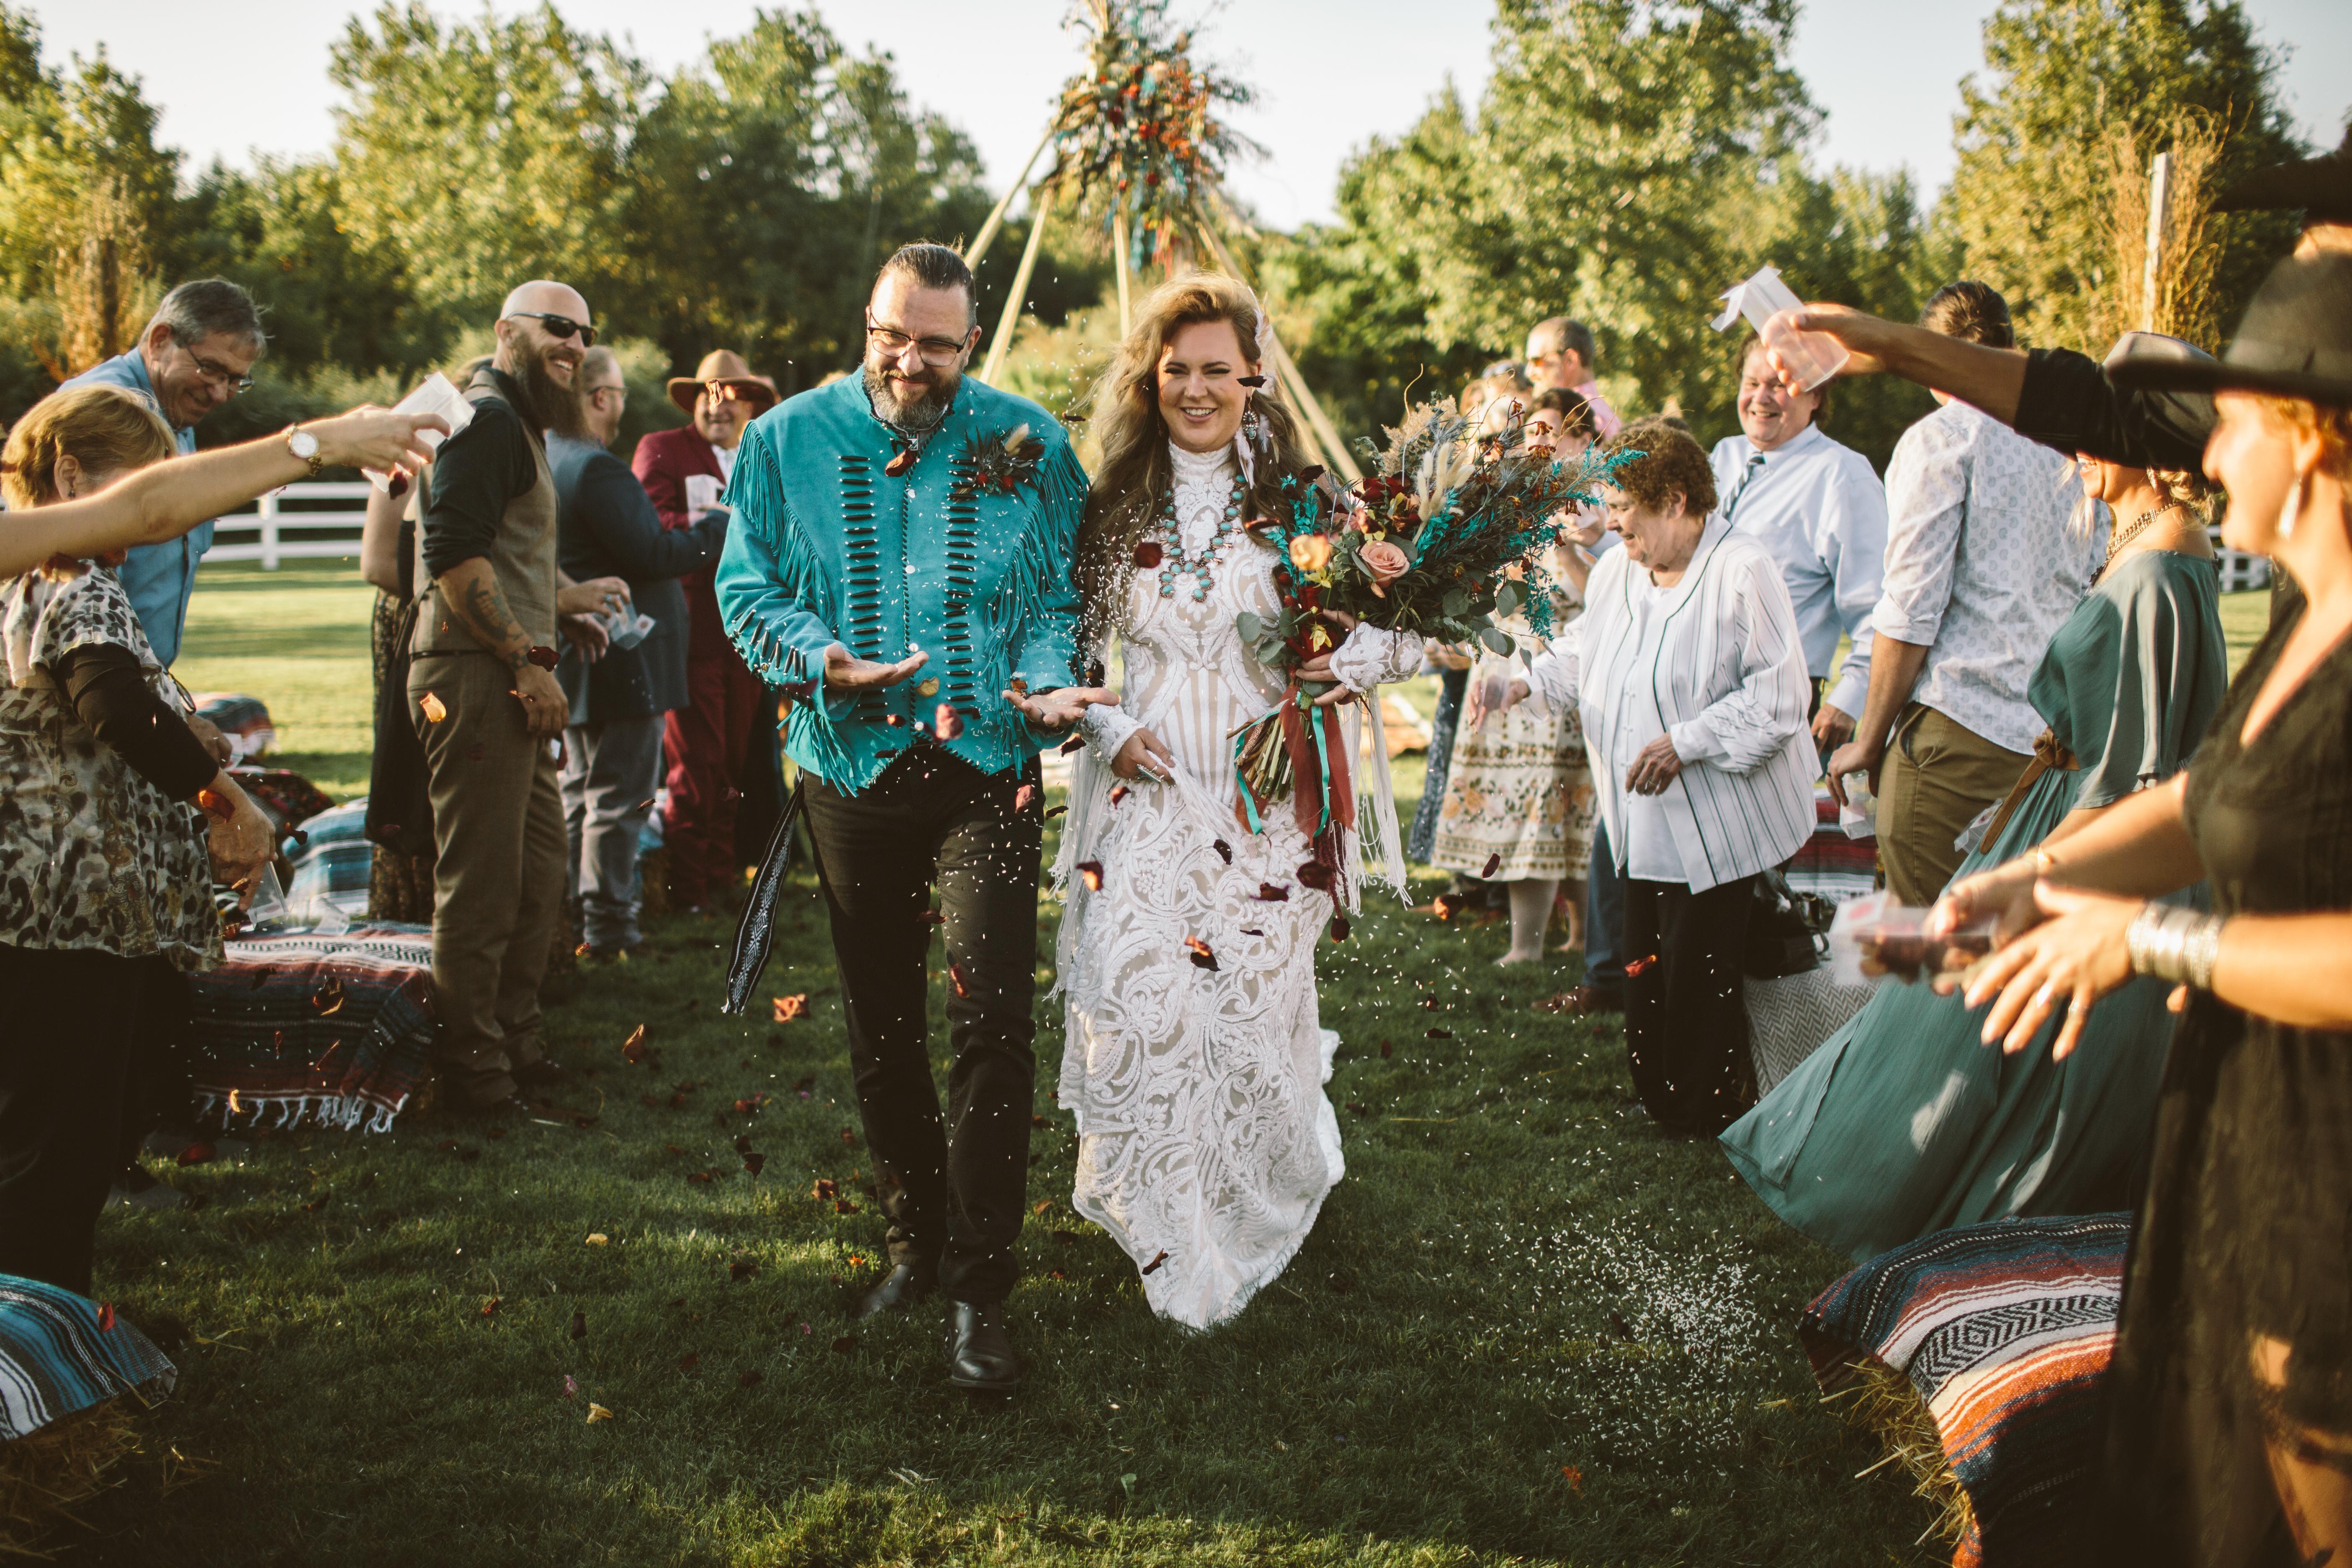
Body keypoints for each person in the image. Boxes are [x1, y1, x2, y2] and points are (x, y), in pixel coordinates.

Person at [1933, 250, 2352, 1567]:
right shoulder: (2307, 621)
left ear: (2310, 436)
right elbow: (2207, 799)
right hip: (2245, 1130)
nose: (2207, 456)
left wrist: (2150, 937)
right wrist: (2037, 877)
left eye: (2230, 420)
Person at [715, 243, 1105, 1393]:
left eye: (936, 344)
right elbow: (746, 585)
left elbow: (1058, 593)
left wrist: (1046, 678)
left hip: (988, 765)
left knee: (992, 1022)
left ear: (969, 343)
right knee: (881, 1025)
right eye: (893, 336)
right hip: (848, 765)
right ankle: (913, 1245)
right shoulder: (782, 440)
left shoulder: (1027, 439)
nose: (910, 361)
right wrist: (816, 656)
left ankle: (980, 1291)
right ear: (867, 321)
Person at [1721, 431, 2227, 1260]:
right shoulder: (2133, 535)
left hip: (2097, 832)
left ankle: (1985, 1217)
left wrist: (2044, 866)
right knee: (1934, 1010)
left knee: (1979, 1021)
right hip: (2058, 805)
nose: (2079, 451)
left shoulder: (2165, 557)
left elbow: (2142, 760)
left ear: (2145, 440)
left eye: (2100, 435)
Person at [0, 386, 441, 1293]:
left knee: (42, 1126)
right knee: (62, 1142)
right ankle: (47, 1328)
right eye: (147, 489)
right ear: (70, 477)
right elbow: (111, 704)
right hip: (71, 903)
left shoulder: (27, 577)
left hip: (36, 898)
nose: (163, 520)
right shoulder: (72, 581)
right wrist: (217, 792)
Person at [1053, 273, 1423, 1329]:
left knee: (1245, 1024)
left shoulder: (1305, 508)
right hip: (1146, 797)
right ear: (1150, 379)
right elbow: (1072, 652)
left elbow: (1410, 631)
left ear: (1254, 378)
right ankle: (1169, 1223)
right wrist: (1108, 730)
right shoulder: (1111, 505)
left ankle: (1248, 1197)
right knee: (1136, 994)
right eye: (1177, 369)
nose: (1196, 389)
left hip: (1267, 807)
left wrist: (1350, 661)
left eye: (1218, 369)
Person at [1484, 419, 1815, 1134]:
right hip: (1636, 816)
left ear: (1674, 500)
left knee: (1698, 967)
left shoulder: (1742, 569)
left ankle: (1701, 1106)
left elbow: (1781, 696)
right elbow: (1584, 649)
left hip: (1717, 820)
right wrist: (1525, 684)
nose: (1610, 524)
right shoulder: (1617, 572)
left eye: (1622, 507)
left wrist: (1687, 742)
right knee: (1644, 966)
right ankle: (1659, 1094)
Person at [407, 281, 625, 1115]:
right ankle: (476, 1075)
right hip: (475, 677)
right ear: (507, 331)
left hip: (511, 674)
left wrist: (564, 603)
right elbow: (453, 555)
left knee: (537, 876)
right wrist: (525, 658)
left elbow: (502, 554)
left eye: (585, 333)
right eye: (557, 327)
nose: (574, 345)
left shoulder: (519, 421)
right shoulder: (488, 419)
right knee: (484, 886)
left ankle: (518, 1044)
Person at [1824, 283, 2096, 907]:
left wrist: (1868, 739)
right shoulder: (2068, 447)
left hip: (1957, 735)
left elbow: (1910, 607)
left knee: (1936, 943)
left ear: (1932, 359)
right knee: (2014, 938)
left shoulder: (1942, 438)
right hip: (2053, 740)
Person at [553, 347, 727, 957]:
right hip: (625, 657)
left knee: (581, 791)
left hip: (583, 651)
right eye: (622, 393)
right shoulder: (597, 468)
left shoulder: (551, 455)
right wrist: (720, 523)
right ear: (601, 398)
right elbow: (654, 553)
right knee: (620, 797)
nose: (624, 404)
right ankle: (609, 930)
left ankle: (572, 920)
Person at [1430, 388, 1599, 963]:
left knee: (1558, 811)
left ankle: (1577, 937)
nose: (1538, 444)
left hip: (1560, 671)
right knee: (1521, 803)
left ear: (1581, 440)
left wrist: (1567, 546)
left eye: (1551, 431)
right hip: (1502, 663)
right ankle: (1529, 944)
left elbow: (1600, 598)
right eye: (1532, 433)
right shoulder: (1509, 503)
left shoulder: (1597, 510)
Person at [634, 350, 780, 915]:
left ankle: (721, 878)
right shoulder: (662, 448)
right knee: (695, 764)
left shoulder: (759, 455)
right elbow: (648, 526)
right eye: (708, 393)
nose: (718, 405)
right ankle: (687, 890)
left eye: (731, 395)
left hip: (746, 634)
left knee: (733, 763)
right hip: (689, 632)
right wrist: (715, 523)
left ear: (749, 405)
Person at [62, 279, 266, 677]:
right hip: (89, 679)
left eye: (235, 381)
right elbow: (79, 598)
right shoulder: (105, 409)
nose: (220, 394)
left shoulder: (175, 415)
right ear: (160, 340)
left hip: (131, 679)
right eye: (211, 369)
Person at [1712, 334, 1888, 754]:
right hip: (1695, 686)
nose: (1761, 398)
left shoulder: (1842, 475)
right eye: (1751, 383)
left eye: (1778, 385)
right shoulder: (1723, 457)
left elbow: (1877, 605)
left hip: (1776, 698)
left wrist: (1849, 699)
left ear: (1816, 396)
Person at [1526, 316, 1622, 438]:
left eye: (1537, 361)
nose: (1529, 373)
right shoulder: (1597, 413)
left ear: (1570, 360)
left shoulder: (1585, 418)